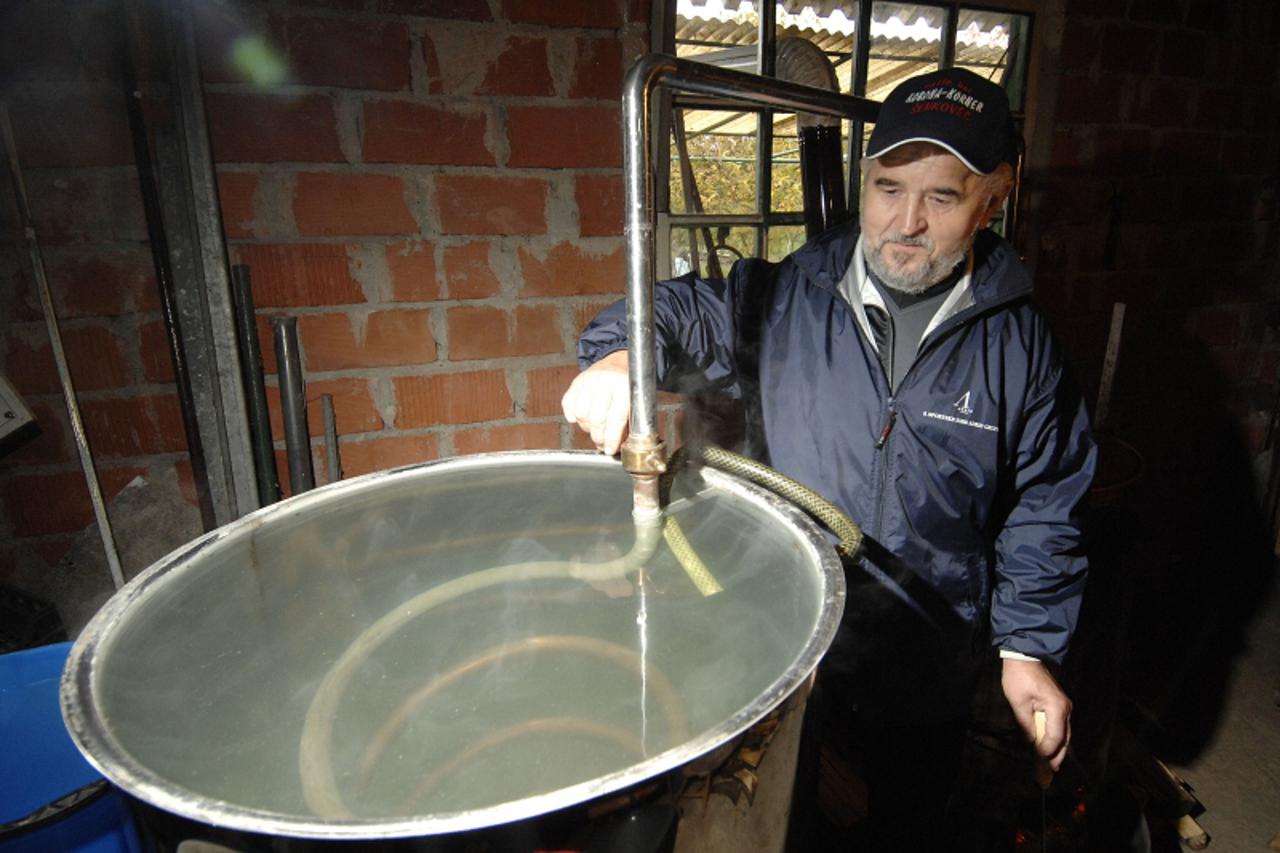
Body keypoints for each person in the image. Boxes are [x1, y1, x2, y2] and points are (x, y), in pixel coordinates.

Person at [562, 67, 1095, 850]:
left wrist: (1027, 650)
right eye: (887, 188)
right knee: (788, 821)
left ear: (996, 196)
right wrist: (618, 356)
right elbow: (678, 313)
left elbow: (1045, 505)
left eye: (941, 197)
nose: (904, 221)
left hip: (929, 654)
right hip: (792, 644)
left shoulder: (1022, 350)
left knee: (911, 827)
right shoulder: (786, 295)